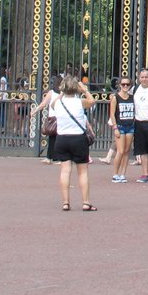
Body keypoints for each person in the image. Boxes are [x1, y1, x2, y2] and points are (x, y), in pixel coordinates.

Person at [43, 73, 96, 210]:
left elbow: (54, 104)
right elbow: (92, 101)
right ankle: (85, 202)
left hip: (62, 139)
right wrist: (84, 90)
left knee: (65, 171)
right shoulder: (79, 102)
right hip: (78, 139)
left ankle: (65, 202)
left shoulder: (58, 103)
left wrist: (61, 92)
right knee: (83, 172)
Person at [109, 76, 135, 183]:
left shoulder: (132, 97)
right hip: (120, 126)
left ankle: (123, 174)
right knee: (120, 150)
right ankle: (115, 174)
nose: (125, 86)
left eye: (127, 84)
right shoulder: (115, 97)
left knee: (126, 151)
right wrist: (115, 127)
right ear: (119, 85)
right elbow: (112, 113)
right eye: (123, 84)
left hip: (130, 126)